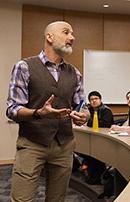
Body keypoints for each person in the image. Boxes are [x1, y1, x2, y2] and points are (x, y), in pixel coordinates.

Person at [6, 21, 88, 201]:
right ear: (49, 37)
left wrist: (83, 115)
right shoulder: (24, 67)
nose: (72, 38)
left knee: (57, 199)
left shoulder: (75, 73)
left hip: (64, 145)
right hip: (32, 144)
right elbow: (12, 110)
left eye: (72, 34)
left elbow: (81, 105)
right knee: (22, 198)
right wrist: (38, 112)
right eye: (66, 32)